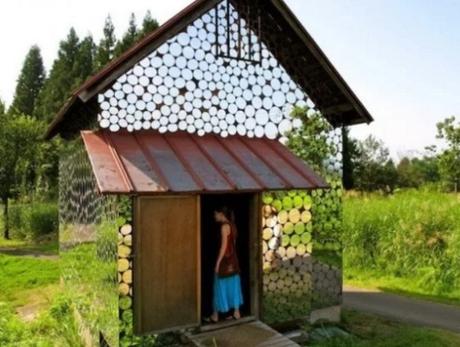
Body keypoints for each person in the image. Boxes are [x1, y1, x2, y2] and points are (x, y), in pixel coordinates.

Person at [205, 206, 243, 323]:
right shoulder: (233, 225)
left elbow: (224, 246)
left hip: (225, 261)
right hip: (233, 261)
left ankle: (215, 315)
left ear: (221, 214)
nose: (214, 216)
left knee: (218, 286)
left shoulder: (224, 227)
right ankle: (236, 313)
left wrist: (217, 263)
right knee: (234, 286)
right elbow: (234, 245)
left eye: (215, 214)